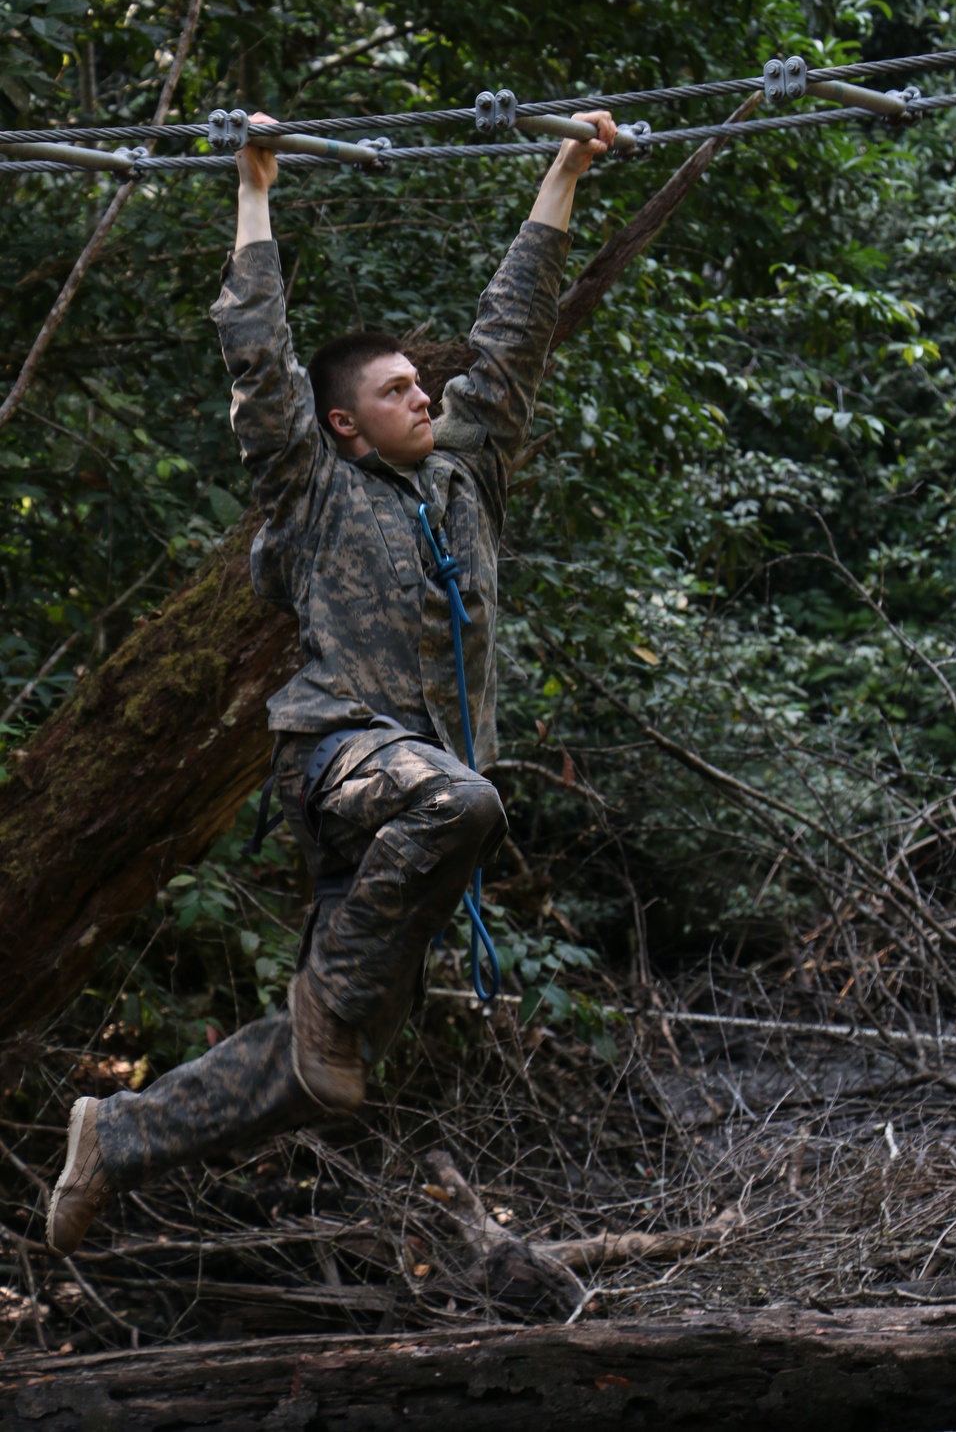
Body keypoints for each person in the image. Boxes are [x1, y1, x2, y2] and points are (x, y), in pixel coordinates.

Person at [46, 106, 617, 1258]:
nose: (424, 395)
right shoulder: (312, 491)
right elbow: (259, 358)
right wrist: (254, 190)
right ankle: (319, 1011)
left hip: (402, 807)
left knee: (330, 1078)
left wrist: (564, 171)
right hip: (344, 761)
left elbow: (515, 330)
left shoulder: (465, 481)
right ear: (345, 426)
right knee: (459, 801)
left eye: (423, 385)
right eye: (400, 389)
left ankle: (116, 1136)